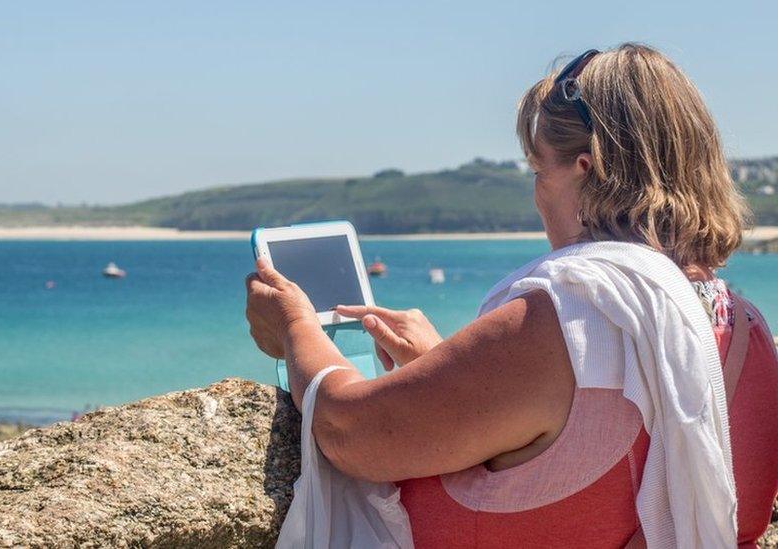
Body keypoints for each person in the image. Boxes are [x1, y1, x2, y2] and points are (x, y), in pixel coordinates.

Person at [245, 43, 778, 547]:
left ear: (584, 172)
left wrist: (295, 328)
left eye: (538, 169)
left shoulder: (564, 316)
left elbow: (346, 429)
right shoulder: (744, 331)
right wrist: (445, 367)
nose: (536, 193)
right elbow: (588, 436)